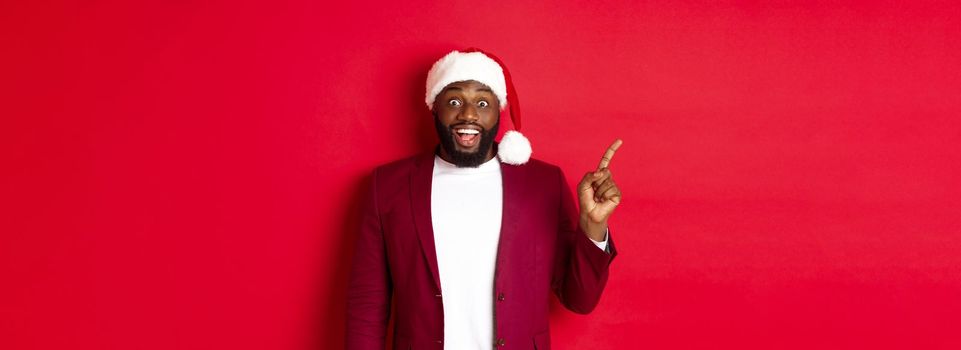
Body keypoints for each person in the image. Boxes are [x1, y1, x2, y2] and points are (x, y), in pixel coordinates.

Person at [346, 48, 622, 350]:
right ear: (434, 108)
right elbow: (367, 304)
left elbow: (579, 299)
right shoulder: (387, 186)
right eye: (453, 101)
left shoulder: (543, 183)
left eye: (482, 102)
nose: (468, 114)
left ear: (497, 111)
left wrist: (593, 226)